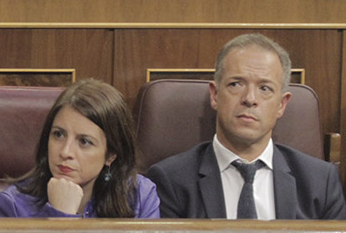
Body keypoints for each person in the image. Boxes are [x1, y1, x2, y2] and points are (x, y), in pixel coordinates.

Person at [147, 34, 346, 219]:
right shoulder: (171, 180)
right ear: (215, 95)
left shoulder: (321, 182)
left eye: (265, 88)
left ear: (281, 104)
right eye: (236, 84)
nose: (250, 99)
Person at [0, 79, 160, 218]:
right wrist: (61, 215)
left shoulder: (139, 196)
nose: (65, 152)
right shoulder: (11, 206)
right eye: (58, 134)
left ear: (110, 155)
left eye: (84, 142)